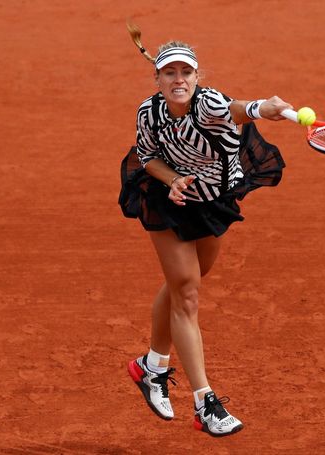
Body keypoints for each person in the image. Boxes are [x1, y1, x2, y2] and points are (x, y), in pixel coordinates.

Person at [120, 20, 293, 437]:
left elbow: (240, 109)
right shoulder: (149, 112)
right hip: (168, 198)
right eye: (169, 73)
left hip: (214, 198)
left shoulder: (210, 104)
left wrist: (264, 108)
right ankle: (205, 404)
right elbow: (147, 158)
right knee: (188, 291)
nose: (178, 80)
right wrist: (171, 180)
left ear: (198, 77)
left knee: (187, 281)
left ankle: (151, 367)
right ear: (158, 78)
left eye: (186, 72)